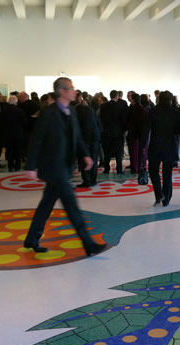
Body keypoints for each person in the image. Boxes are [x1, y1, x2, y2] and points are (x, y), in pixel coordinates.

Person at [24, 77, 105, 257]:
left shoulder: (72, 111)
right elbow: (36, 140)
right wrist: (30, 165)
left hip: (64, 167)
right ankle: (88, 243)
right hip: (54, 167)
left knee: (46, 204)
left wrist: (85, 155)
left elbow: (76, 137)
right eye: (71, 88)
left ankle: (32, 238)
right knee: (71, 206)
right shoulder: (48, 113)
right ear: (62, 91)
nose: (74, 91)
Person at [148, 91, 180, 207]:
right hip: (170, 146)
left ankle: (159, 193)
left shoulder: (152, 111)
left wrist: (143, 146)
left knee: (153, 171)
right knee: (167, 174)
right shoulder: (175, 113)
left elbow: (147, 130)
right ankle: (166, 199)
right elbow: (178, 131)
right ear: (170, 100)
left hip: (155, 146)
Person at [75, 96, 101, 188]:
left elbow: (77, 127)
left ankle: (87, 181)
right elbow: (98, 123)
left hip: (85, 139)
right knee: (93, 160)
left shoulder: (77, 111)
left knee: (84, 160)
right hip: (95, 138)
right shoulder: (91, 110)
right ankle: (93, 180)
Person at [100, 90, 127, 174]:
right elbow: (123, 120)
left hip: (107, 133)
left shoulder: (103, 106)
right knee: (119, 152)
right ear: (117, 96)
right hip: (118, 133)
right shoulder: (120, 106)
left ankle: (106, 169)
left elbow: (101, 119)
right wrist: (124, 130)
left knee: (107, 152)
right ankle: (119, 169)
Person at [126, 93, 149, 174]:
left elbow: (128, 121)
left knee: (134, 153)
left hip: (134, 134)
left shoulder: (132, 109)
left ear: (133, 99)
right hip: (141, 134)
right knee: (141, 153)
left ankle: (135, 168)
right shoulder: (142, 109)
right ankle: (141, 167)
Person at [3, 95, 26, 172]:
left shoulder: (4, 111)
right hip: (18, 134)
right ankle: (17, 166)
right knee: (18, 151)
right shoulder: (20, 111)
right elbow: (24, 123)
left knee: (9, 150)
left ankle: (10, 166)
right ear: (16, 102)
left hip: (8, 134)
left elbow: (1, 123)